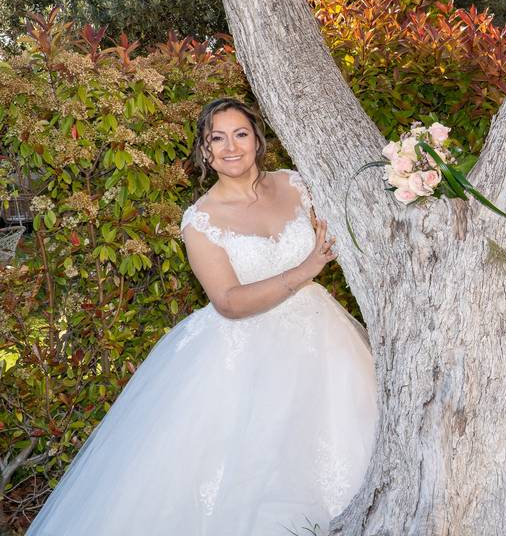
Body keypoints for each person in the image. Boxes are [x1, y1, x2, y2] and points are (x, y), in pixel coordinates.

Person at [27, 98, 377, 535]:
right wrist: (304, 270)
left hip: (322, 337)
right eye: (218, 138)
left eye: (241, 134)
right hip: (242, 352)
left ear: (257, 140)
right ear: (205, 151)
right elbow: (228, 301)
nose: (231, 147)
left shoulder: (296, 184)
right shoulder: (201, 221)